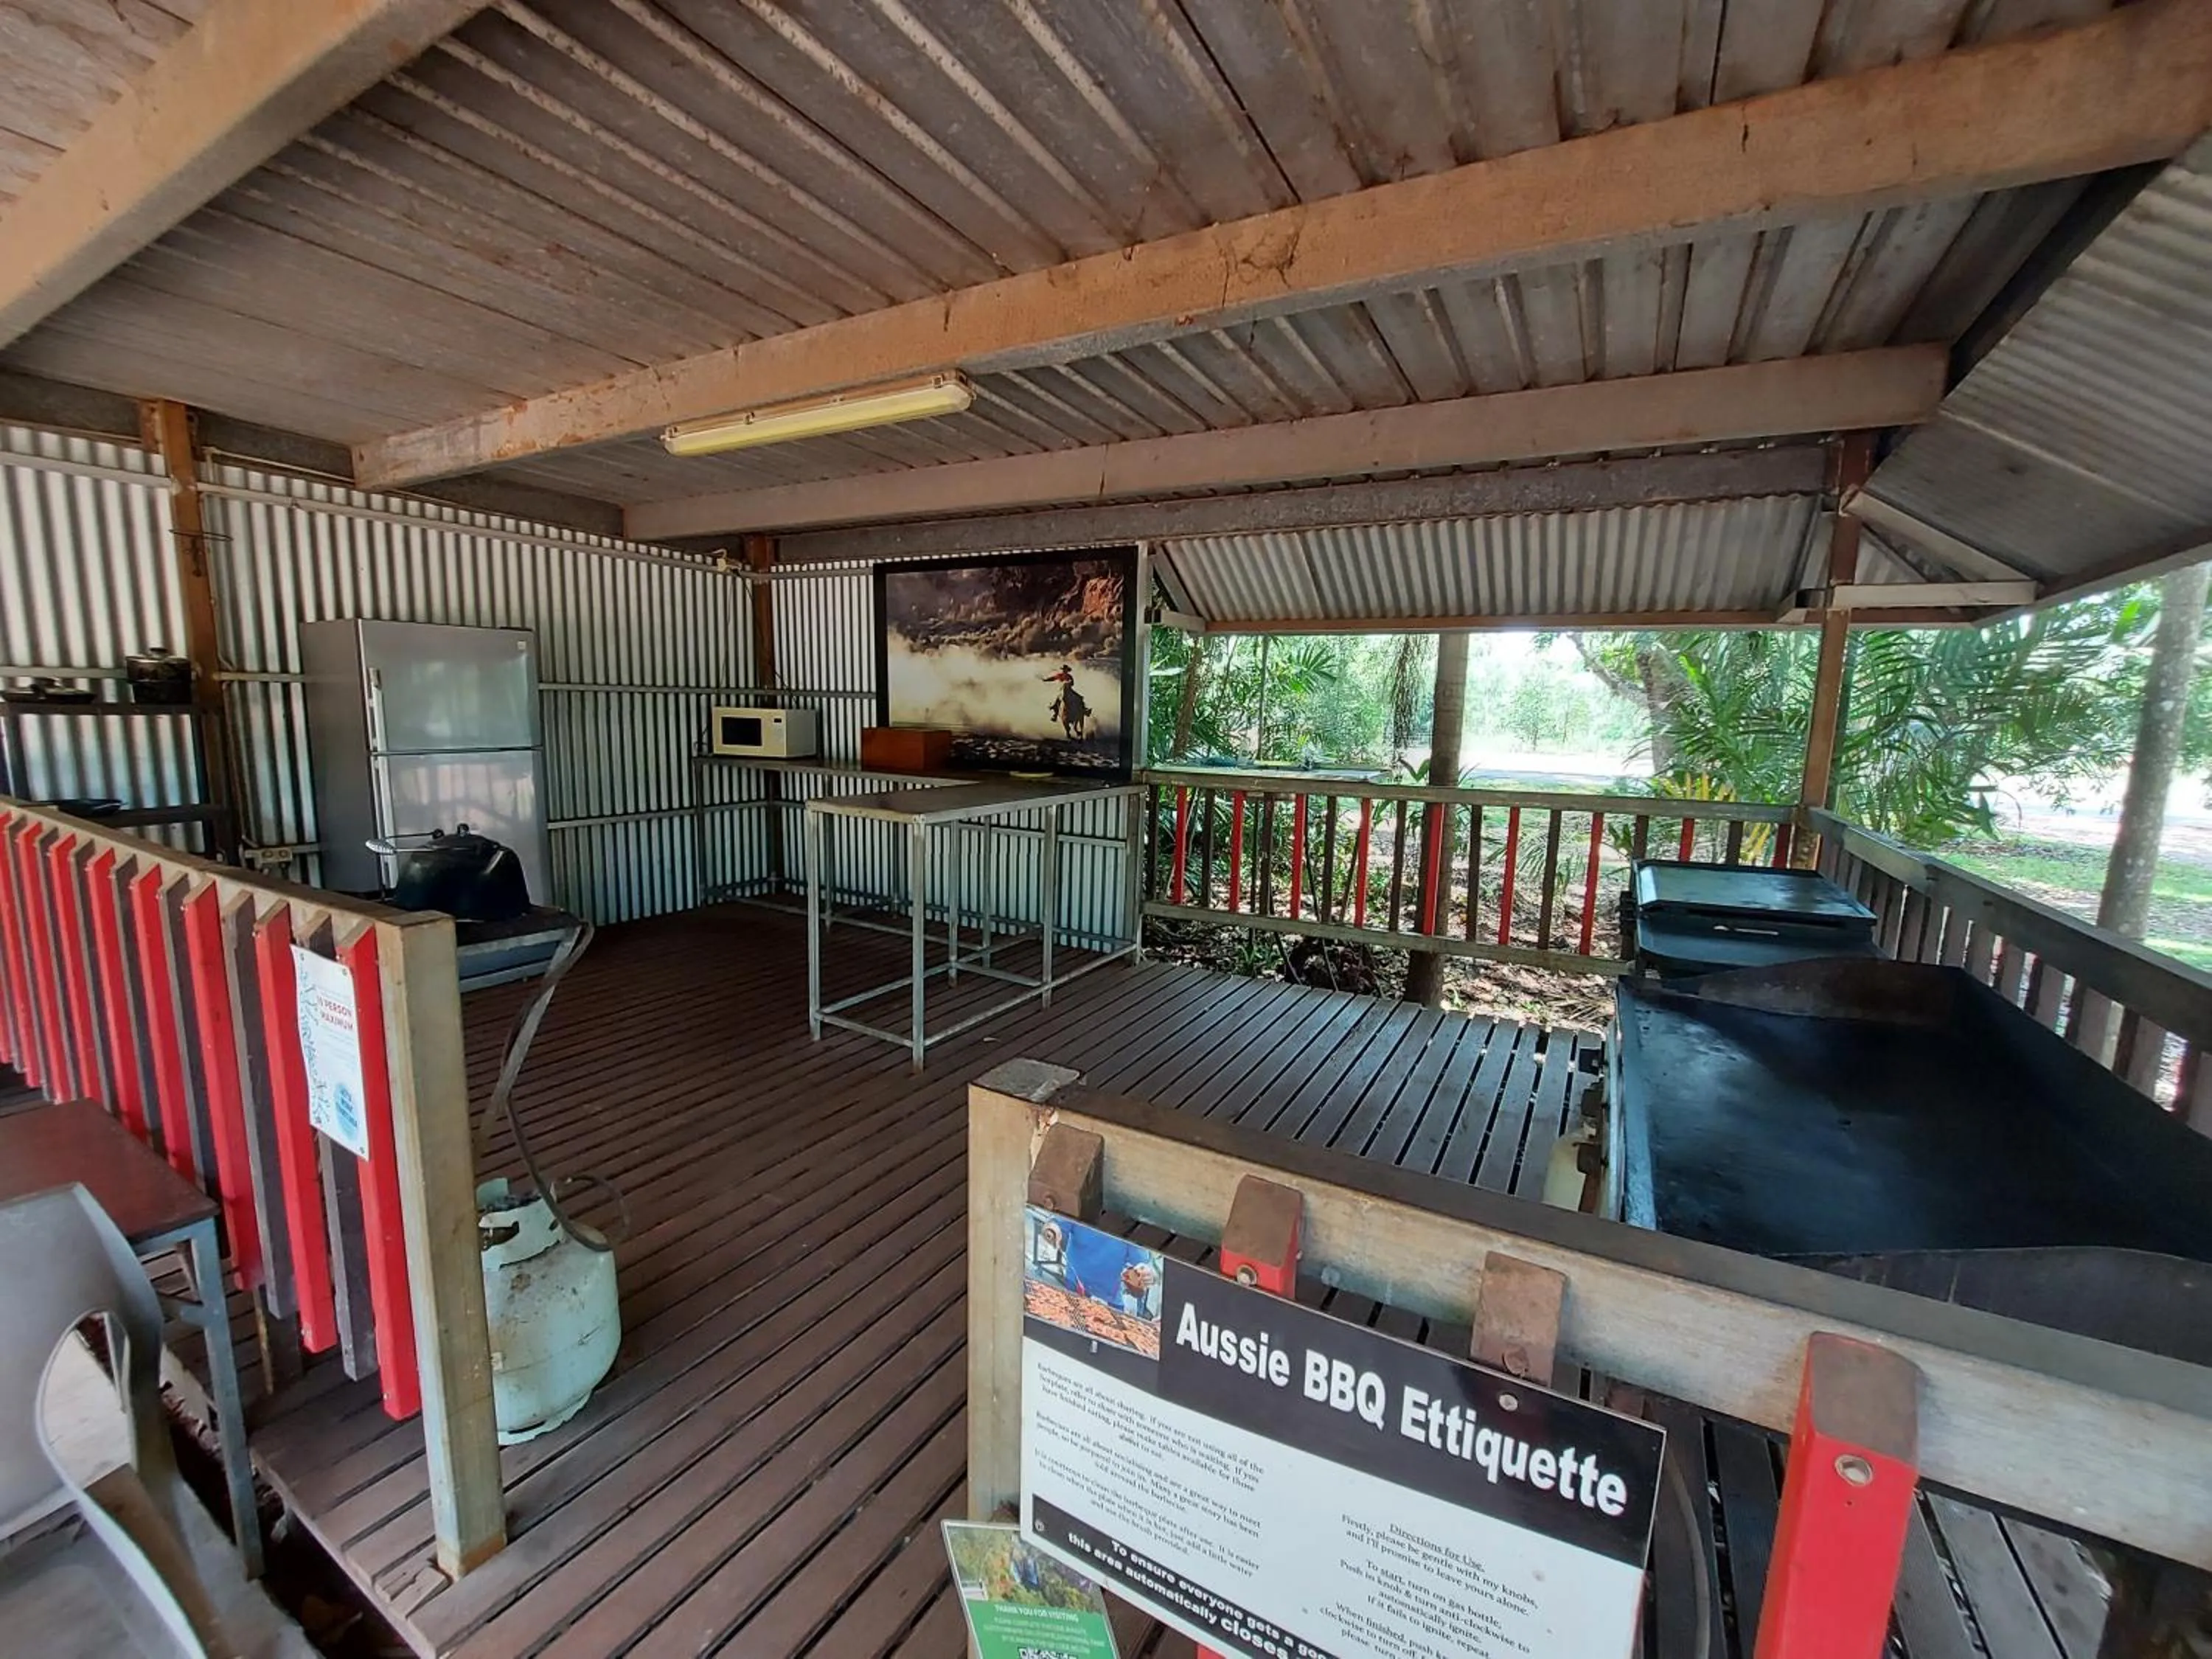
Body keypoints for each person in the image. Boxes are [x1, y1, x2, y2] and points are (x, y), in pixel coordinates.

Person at [1043, 663, 1091, 740]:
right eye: (1064, 670)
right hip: (1061, 690)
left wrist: (1069, 683)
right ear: (1063, 670)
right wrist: (1046, 680)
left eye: (1066, 670)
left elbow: (1072, 683)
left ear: (1067, 671)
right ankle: (1055, 714)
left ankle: (1084, 710)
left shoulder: (1069, 676)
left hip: (1069, 690)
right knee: (1057, 700)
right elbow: (1052, 679)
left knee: (1080, 697)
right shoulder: (1059, 675)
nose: (1065, 671)